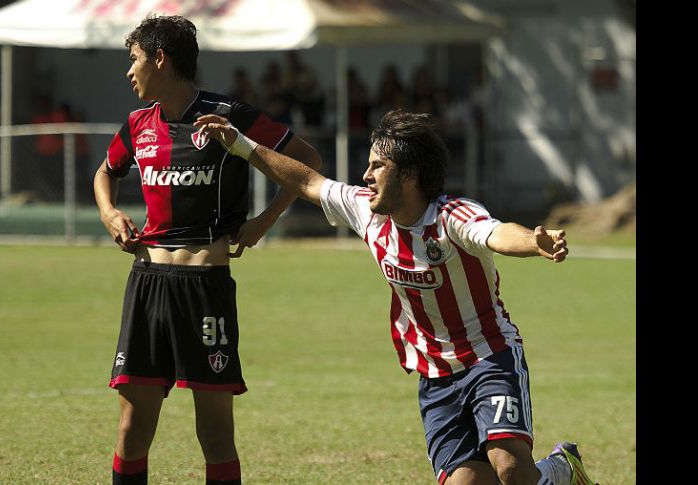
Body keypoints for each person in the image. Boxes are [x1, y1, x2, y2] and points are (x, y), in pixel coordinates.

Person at [193, 109, 598, 485]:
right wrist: (239, 144)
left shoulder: (451, 217)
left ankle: (560, 468)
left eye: (378, 166)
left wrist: (533, 242)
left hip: (489, 356)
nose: (365, 175)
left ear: (409, 174)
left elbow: (495, 233)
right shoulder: (366, 212)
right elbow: (306, 181)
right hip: (434, 374)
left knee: (510, 468)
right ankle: (560, 471)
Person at [93, 15, 322, 485]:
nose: (129, 71)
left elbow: (307, 160)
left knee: (215, 435)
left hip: (205, 289)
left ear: (160, 59)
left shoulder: (229, 115)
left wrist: (264, 221)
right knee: (132, 430)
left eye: (134, 59)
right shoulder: (137, 124)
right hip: (147, 285)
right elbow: (105, 173)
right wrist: (109, 213)